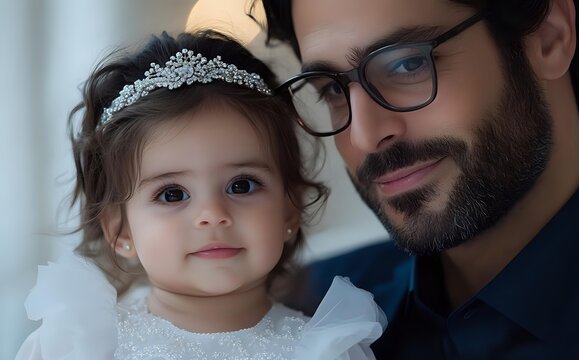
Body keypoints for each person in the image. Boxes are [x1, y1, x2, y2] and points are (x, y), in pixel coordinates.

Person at [252, 0, 579, 358]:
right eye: (334, 90)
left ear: (548, 37)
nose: (365, 137)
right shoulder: (302, 313)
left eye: (407, 65)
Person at [15, 30, 386, 360]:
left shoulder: (326, 350)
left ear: (290, 210)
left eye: (242, 185)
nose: (212, 213)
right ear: (120, 230)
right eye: (172, 194)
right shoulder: (82, 344)